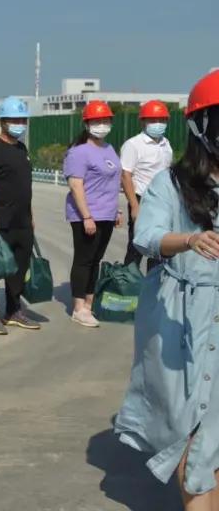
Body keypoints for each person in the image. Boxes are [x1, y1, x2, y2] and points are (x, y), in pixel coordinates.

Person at [114, 69, 219, 510]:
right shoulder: (172, 184)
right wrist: (190, 240)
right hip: (183, 322)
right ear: (202, 126)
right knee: (189, 433)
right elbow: (147, 235)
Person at [0, 97, 41, 335]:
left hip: (22, 221)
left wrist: (31, 215)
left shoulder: (21, 148)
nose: (19, 124)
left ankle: (13, 311)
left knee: (18, 269)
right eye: (14, 120)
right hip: (0, 220)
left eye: (22, 120)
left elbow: (26, 186)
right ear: (3, 121)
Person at [63, 100, 124, 328]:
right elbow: (76, 185)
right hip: (86, 215)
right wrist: (86, 216)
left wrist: (116, 209)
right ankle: (78, 307)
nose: (102, 125)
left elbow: (112, 182)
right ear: (87, 123)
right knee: (84, 259)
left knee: (96, 260)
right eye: (97, 121)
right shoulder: (78, 152)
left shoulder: (109, 149)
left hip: (107, 213)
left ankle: (89, 303)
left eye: (106, 120)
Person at [121, 100, 174, 273]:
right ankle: (129, 286)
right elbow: (126, 175)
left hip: (163, 200)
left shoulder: (166, 144)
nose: (157, 124)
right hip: (141, 198)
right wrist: (135, 206)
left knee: (158, 246)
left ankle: (153, 286)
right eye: (152, 120)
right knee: (137, 245)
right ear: (143, 122)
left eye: (161, 120)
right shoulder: (133, 145)